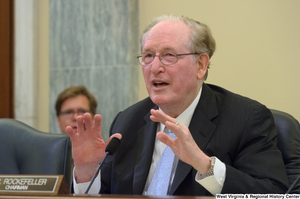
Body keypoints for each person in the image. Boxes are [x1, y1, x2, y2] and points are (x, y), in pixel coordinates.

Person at [66, 15, 289, 196]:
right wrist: (87, 174)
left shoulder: (246, 118)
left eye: (169, 55)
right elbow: (110, 194)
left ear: (201, 65)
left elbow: (273, 193)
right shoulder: (128, 121)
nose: (154, 67)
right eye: (148, 56)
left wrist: (204, 165)